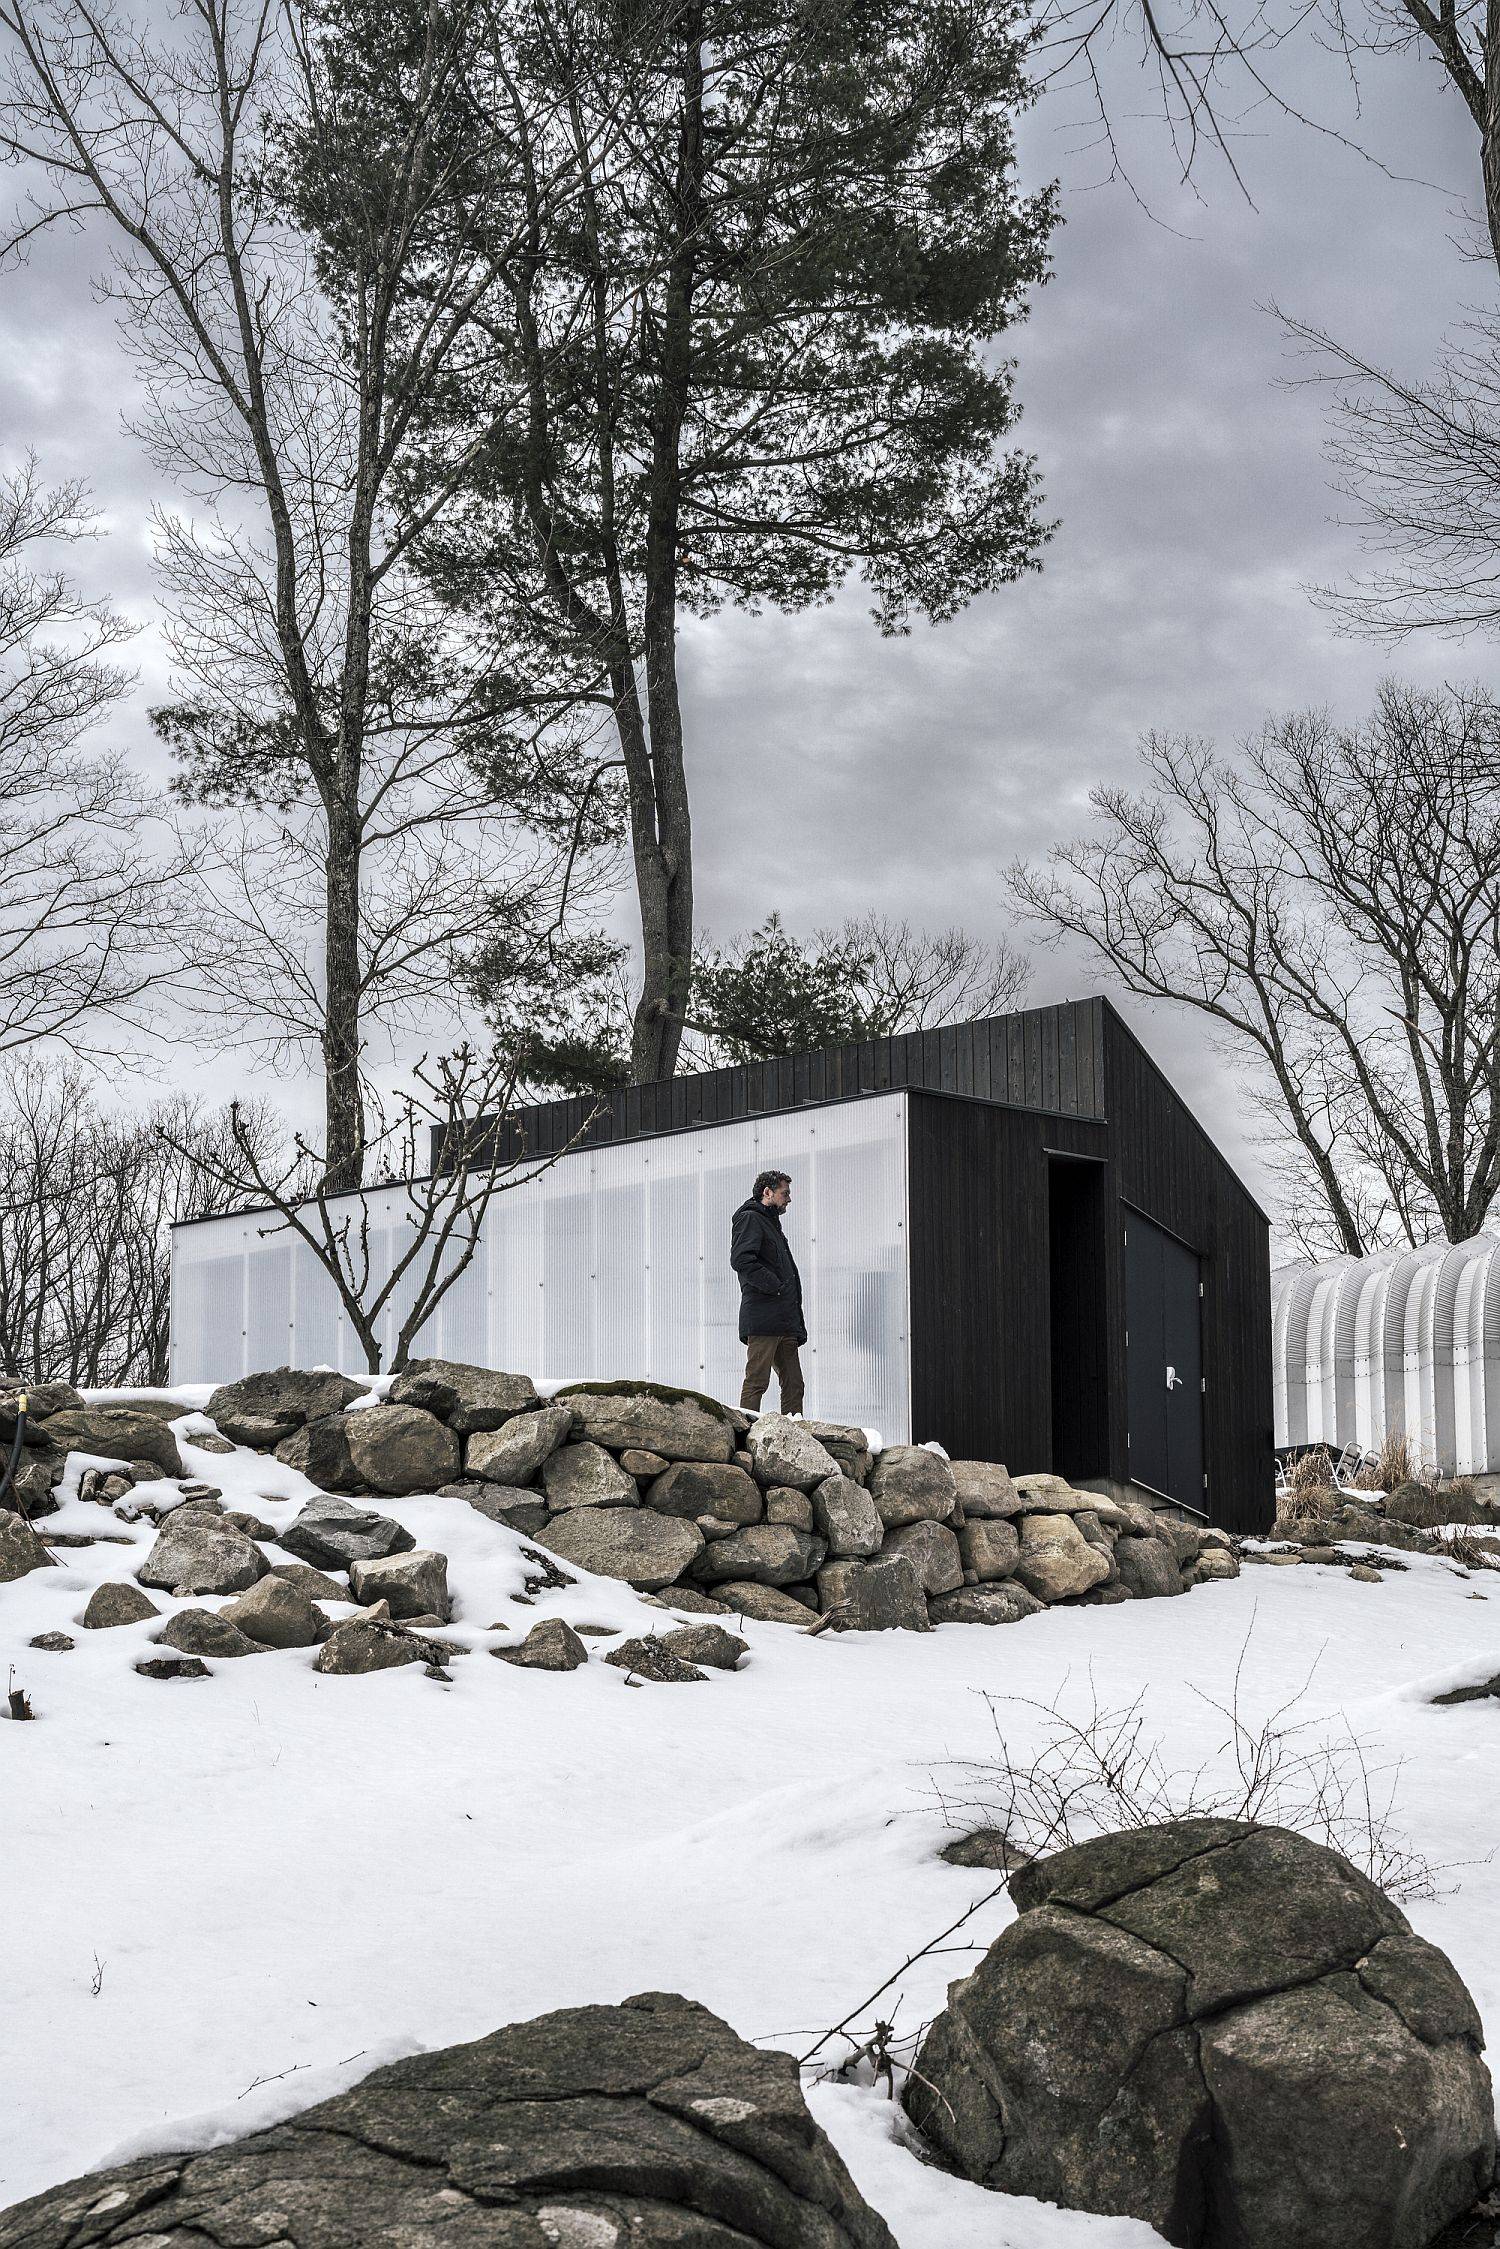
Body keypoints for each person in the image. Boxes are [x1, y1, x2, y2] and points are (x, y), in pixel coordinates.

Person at [730, 1169, 806, 1416]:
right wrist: (775, 1286)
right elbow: (742, 1260)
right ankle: (746, 1438)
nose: (789, 1199)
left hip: (784, 1320)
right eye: (785, 1193)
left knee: (794, 1384)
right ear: (767, 1192)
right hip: (763, 1319)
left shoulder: (771, 1223)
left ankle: (795, 1438)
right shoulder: (751, 1218)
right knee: (757, 1382)